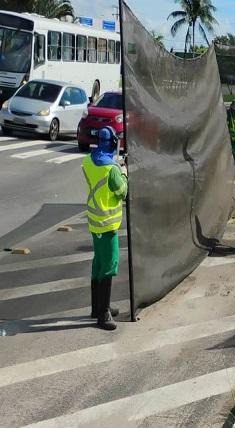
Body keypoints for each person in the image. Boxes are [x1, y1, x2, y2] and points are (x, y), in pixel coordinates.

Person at [81, 126, 128, 331]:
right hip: (107, 224)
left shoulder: (88, 161)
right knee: (109, 264)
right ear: (112, 143)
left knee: (98, 263)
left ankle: (97, 306)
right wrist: (124, 173)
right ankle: (103, 314)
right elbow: (122, 192)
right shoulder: (111, 169)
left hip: (94, 221)